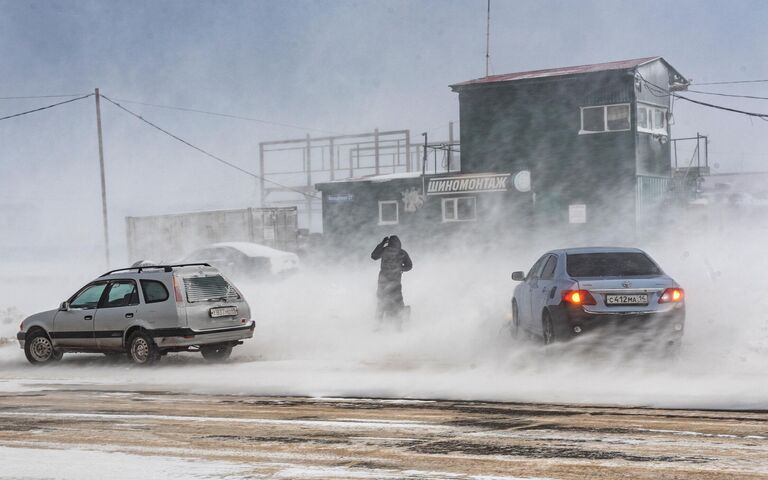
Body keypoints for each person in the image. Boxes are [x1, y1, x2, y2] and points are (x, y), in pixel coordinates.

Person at [371, 235, 412, 325]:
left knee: (381, 303)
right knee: (397, 303)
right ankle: (399, 324)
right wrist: (401, 268)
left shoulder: (385, 250)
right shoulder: (402, 253)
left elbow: (374, 256)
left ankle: (378, 325)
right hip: (392, 282)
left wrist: (382, 244)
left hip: (385, 282)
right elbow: (409, 266)